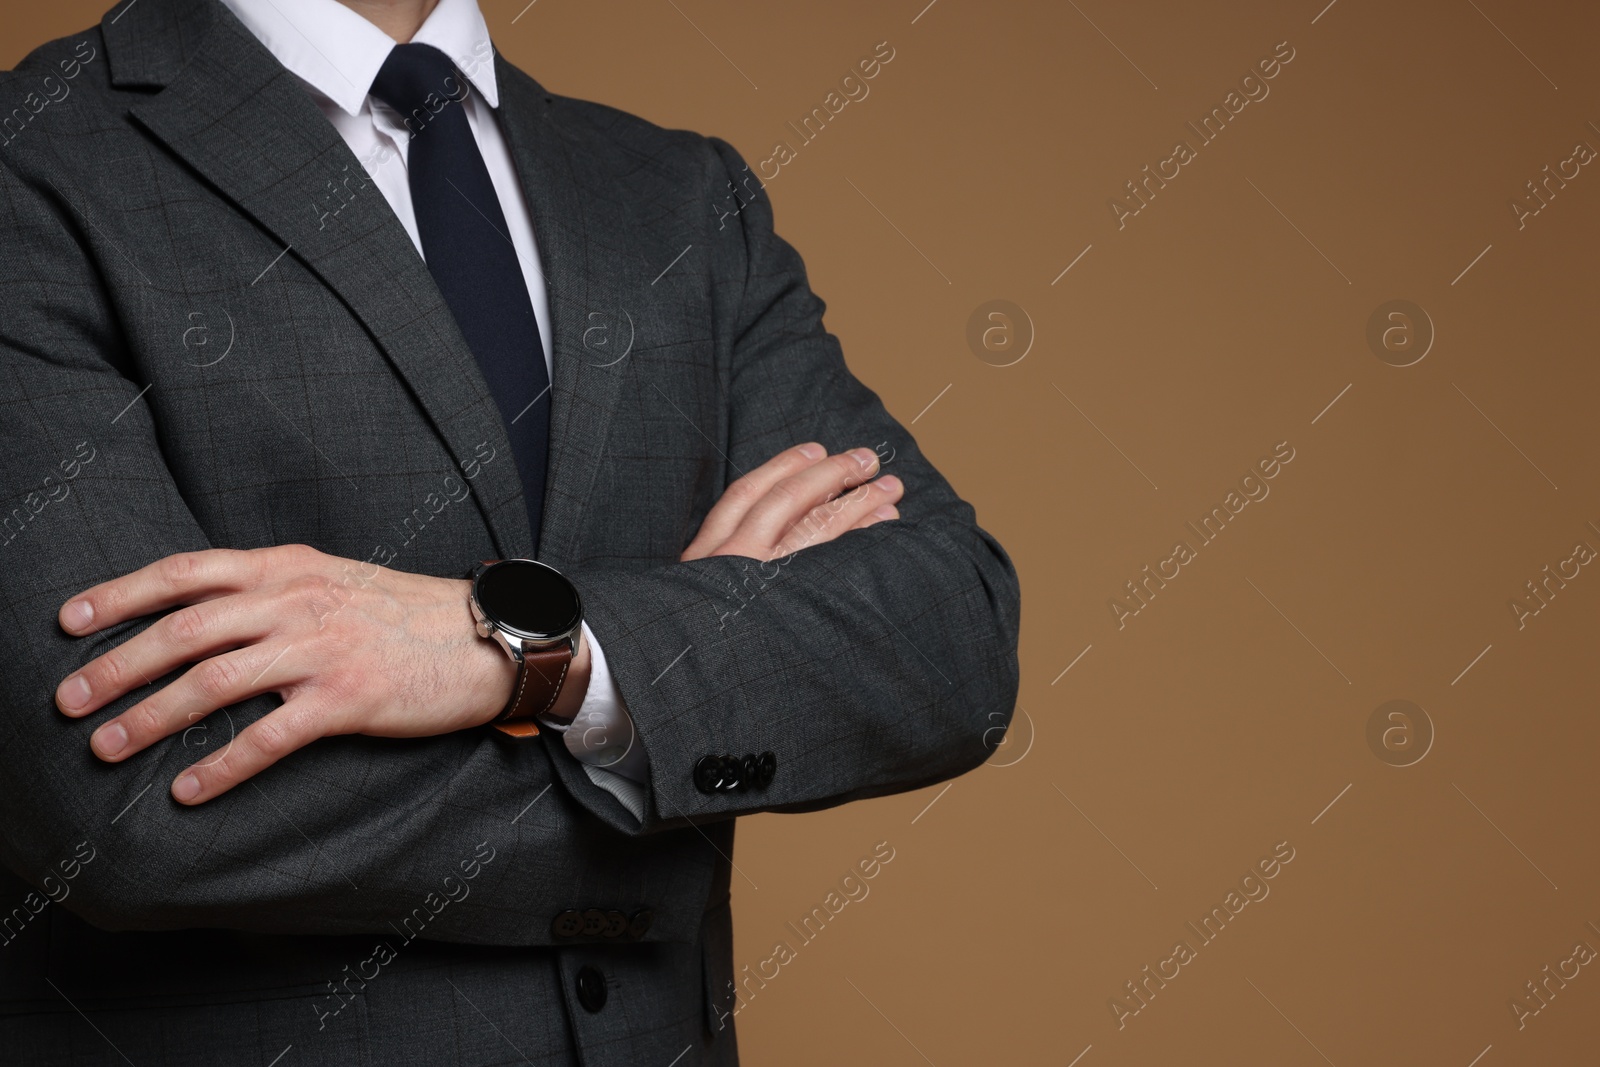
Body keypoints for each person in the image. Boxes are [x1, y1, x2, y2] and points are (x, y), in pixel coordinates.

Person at [0, 0, 1021, 1062]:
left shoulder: (677, 193)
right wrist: (668, 739)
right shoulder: (34, 160)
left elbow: (949, 632)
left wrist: (526, 650)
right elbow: (126, 811)